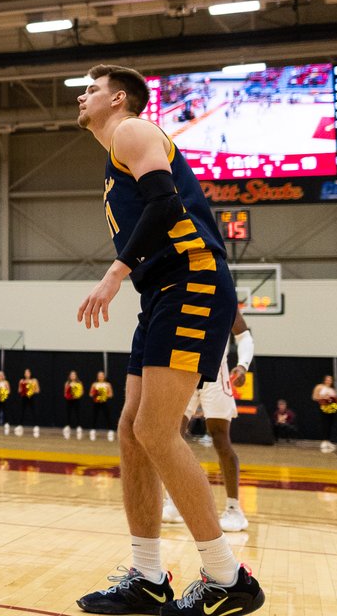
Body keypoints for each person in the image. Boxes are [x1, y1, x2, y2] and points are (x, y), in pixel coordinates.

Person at [73, 65, 264, 615]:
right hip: (161, 290)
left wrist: (113, 275)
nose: (82, 97)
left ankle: (229, 579)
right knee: (133, 431)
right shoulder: (116, 153)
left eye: (91, 89)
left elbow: (164, 204)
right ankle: (148, 577)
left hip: (193, 280)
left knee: (157, 431)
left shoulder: (133, 130)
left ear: (119, 99)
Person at [163, 310, 257, 532]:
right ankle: (174, 501)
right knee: (171, 438)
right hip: (184, 371)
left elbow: (244, 336)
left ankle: (235, 509)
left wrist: (242, 365)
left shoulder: (222, 294)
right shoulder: (183, 292)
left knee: (220, 439)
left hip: (216, 373)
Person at [312, 374, 337, 453]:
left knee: (330, 424)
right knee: (325, 424)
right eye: (327, 379)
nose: (329, 381)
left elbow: (335, 399)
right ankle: (324, 441)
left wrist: (336, 403)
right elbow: (314, 397)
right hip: (323, 407)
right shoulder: (319, 387)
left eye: (330, 380)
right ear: (324, 380)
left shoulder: (332, 389)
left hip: (331, 409)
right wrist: (323, 398)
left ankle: (328, 441)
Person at [89, 371, 115, 441]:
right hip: (96, 402)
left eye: (102, 375)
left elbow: (111, 394)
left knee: (108, 417)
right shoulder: (94, 384)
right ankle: (93, 432)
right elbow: (90, 394)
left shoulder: (107, 384)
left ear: (104, 376)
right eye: (99, 375)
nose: (100, 377)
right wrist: (96, 394)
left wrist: (104, 394)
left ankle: (110, 432)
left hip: (104, 402)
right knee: (94, 417)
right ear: (97, 377)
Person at [17, 369, 40, 437]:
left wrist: (30, 390)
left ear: (30, 373)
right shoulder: (22, 381)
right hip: (24, 397)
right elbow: (19, 390)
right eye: (25, 373)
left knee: (34, 411)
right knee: (22, 411)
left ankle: (36, 426)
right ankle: (20, 425)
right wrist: (23, 390)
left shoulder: (34, 380)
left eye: (28, 372)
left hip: (32, 397)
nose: (26, 374)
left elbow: (38, 390)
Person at [63, 371, 85, 440]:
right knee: (68, 414)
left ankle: (78, 428)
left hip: (76, 400)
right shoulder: (67, 383)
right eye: (71, 375)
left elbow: (82, 392)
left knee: (77, 413)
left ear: (76, 376)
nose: (73, 376)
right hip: (69, 401)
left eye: (74, 375)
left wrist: (77, 395)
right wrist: (69, 395)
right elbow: (65, 393)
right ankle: (68, 428)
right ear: (69, 376)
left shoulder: (79, 383)